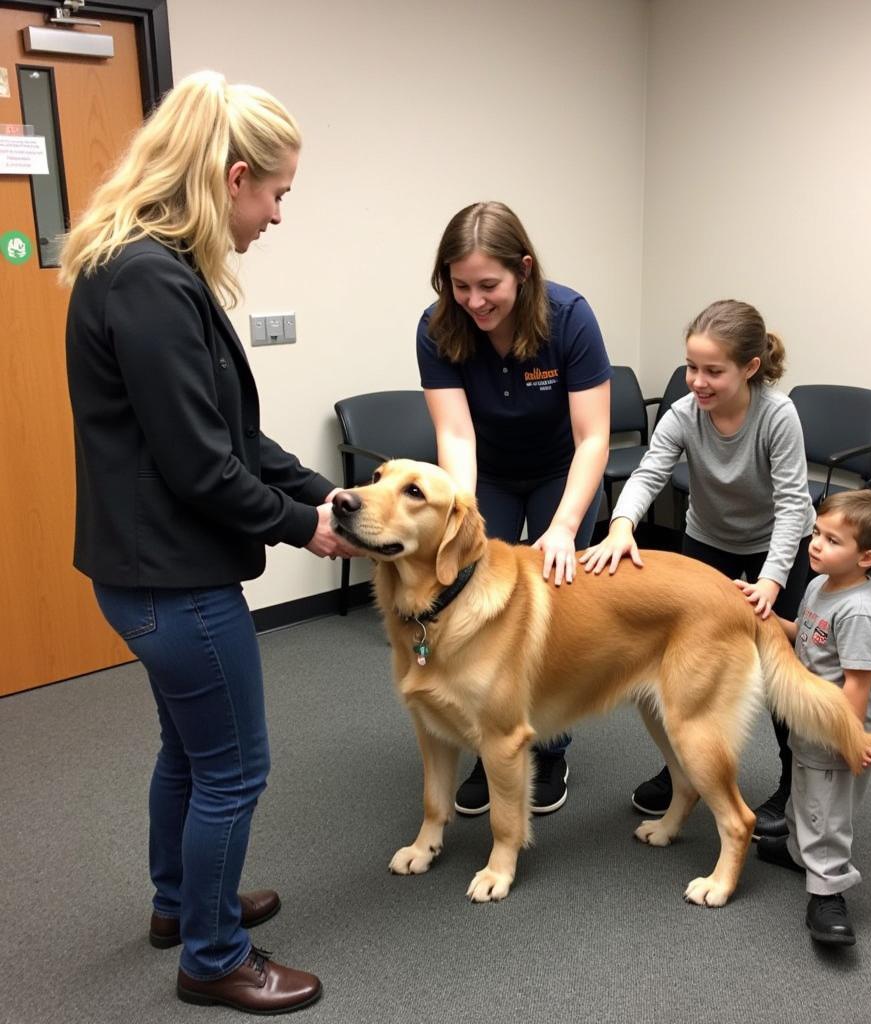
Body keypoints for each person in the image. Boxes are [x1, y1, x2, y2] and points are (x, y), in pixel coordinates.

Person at [61, 71, 353, 1015]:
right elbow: (202, 469)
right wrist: (304, 527)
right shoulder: (148, 278)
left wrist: (321, 489)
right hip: (170, 577)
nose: (277, 214)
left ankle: (179, 904)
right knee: (235, 766)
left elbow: (228, 433)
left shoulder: (147, 265)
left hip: (148, 568)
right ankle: (214, 954)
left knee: (189, 753)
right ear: (233, 178)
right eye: (277, 194)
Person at [580, 299, 814, 836]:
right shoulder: (684, 413)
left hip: (778, 546)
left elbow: (792, 505)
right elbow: (649, 471)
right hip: (708, 539)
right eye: (692, 368)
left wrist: (772, 583)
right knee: (684, 667)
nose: (698, 382)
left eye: (713, 371)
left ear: (750, 368)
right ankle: (683, 768)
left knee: (780, 663)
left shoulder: (777, 416)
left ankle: (793, 778)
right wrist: (620, 526)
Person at [417, 201, 611, 816]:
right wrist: (460, 518)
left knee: (557, 602)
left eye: (490, 285)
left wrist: (562, 527)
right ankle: (488, 741)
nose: (475, 301)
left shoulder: (569, 318)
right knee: (473, 600)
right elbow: (456, 436)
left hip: (563, 467)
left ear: (523, 270)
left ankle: (550, 748)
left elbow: (594, 438)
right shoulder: (438, 326)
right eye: (461, 284)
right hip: (487, 472)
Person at [749, 490, 871, 946]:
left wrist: (848, 739)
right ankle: (797, 851)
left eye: (832, 540)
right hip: (810, 721)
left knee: (827, 814)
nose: (816, 545)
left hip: (838, 732)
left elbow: (857, 685)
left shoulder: (860, 613)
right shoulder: (820, 585)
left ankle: (828, 892)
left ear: (866, 557)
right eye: (816, 532)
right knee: (803, 795)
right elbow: (804, 640)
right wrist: (767, 617)